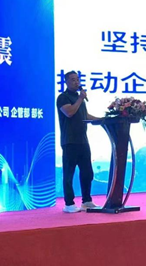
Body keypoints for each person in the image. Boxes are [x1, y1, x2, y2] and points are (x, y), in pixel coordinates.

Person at [57, 71, 101, 213]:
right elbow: (70, 112)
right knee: (69, 174)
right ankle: (69, 204)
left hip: (83, 140)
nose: (76, 82)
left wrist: (101, 120)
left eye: (77, 79)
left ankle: (86, 201)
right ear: (66, 82)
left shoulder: (78, 98)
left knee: (87, 172)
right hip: (70, 141)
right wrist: (81, 98)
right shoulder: (63, 97)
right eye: (73, 80)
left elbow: (84, 115)